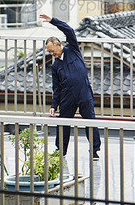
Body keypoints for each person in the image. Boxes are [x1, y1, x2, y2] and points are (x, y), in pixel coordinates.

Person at [40, 14, 101, 160]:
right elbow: (57, 88)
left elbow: (69, 31)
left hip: (84, 92)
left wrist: (53, 21)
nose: (51, 53)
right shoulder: (55, 66)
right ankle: (61, 150)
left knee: (90, 120)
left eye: (52, 50)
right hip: (67, 95)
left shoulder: (73, 49)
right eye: (48, 52)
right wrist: (54, 105)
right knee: (63, 122)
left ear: (59, 45)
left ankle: (94, 150)